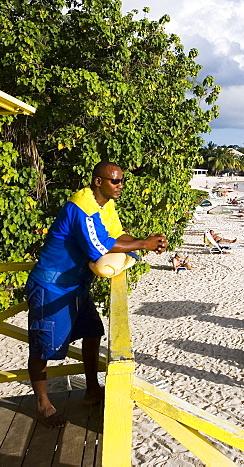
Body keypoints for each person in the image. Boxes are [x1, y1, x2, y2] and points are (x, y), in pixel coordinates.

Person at [27, 162, 167, 427]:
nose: (120, 185)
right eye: (115, 181)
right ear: (98, 181)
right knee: (43, 348)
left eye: (122, 180)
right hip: (51, 286)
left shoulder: (106, 204)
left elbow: (117, 233)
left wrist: (141, 243)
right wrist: (143, 245)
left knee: (92, 332)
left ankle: (92, 390)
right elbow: (100, 246)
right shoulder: (83, 206)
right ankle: (43, 405)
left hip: (77, 285)